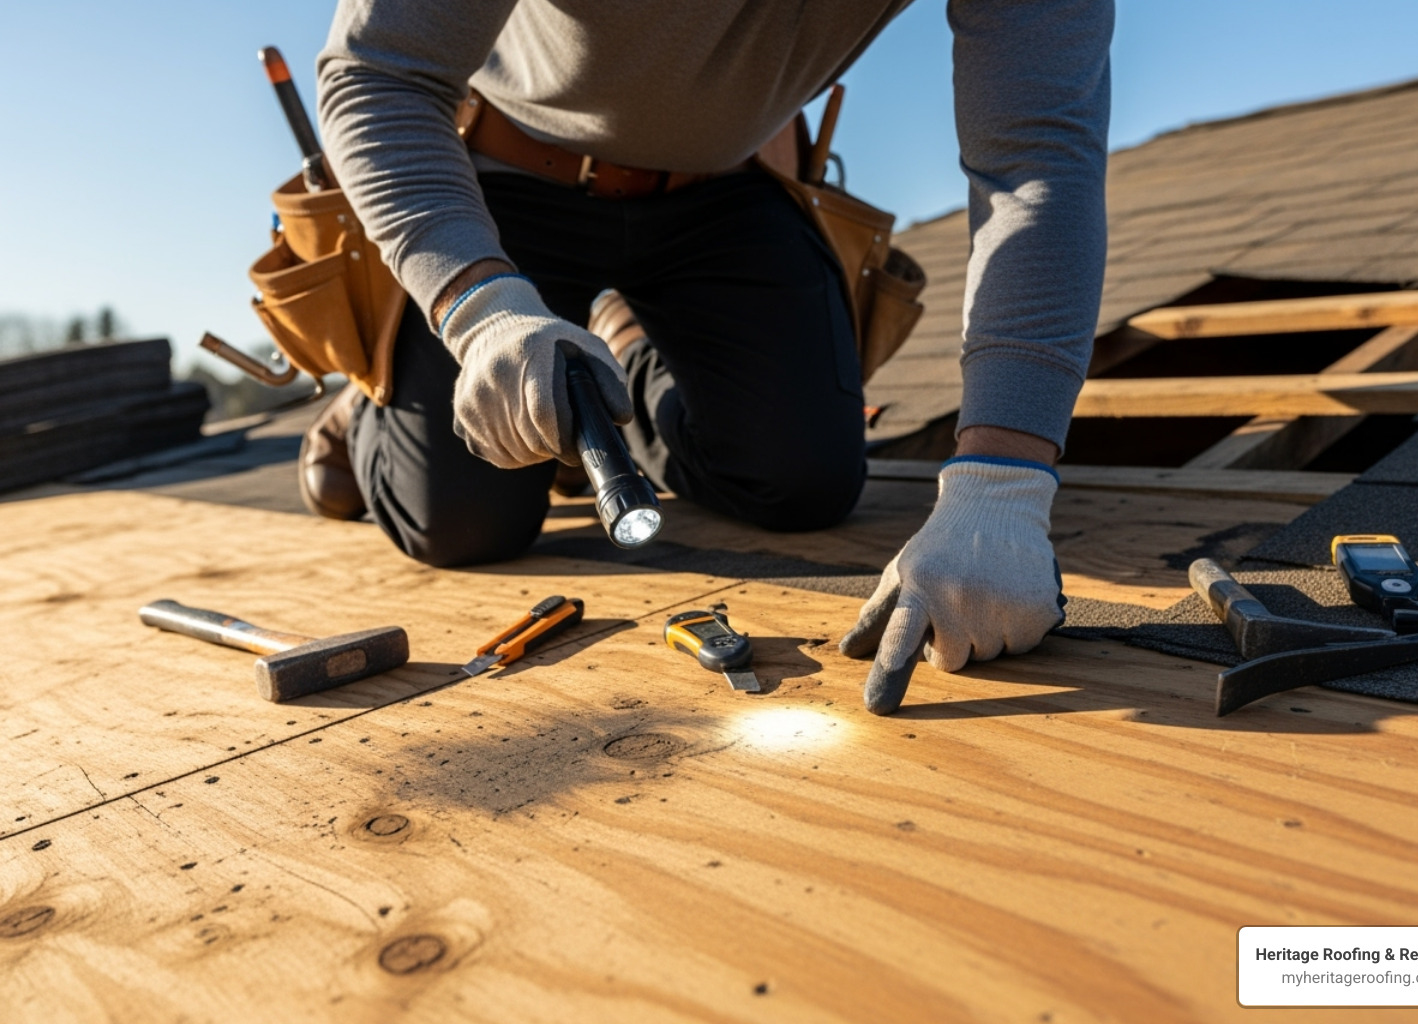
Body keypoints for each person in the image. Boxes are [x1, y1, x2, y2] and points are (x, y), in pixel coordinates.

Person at [309, 0, 1112, 711]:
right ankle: (373, 393)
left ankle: (618, 345)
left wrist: (1003, 480)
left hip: (725, 196)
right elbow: (377, 73)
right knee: (461, 526)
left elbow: (1036, 158)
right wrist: (481, 313)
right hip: (504, 181)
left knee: (801, 484)